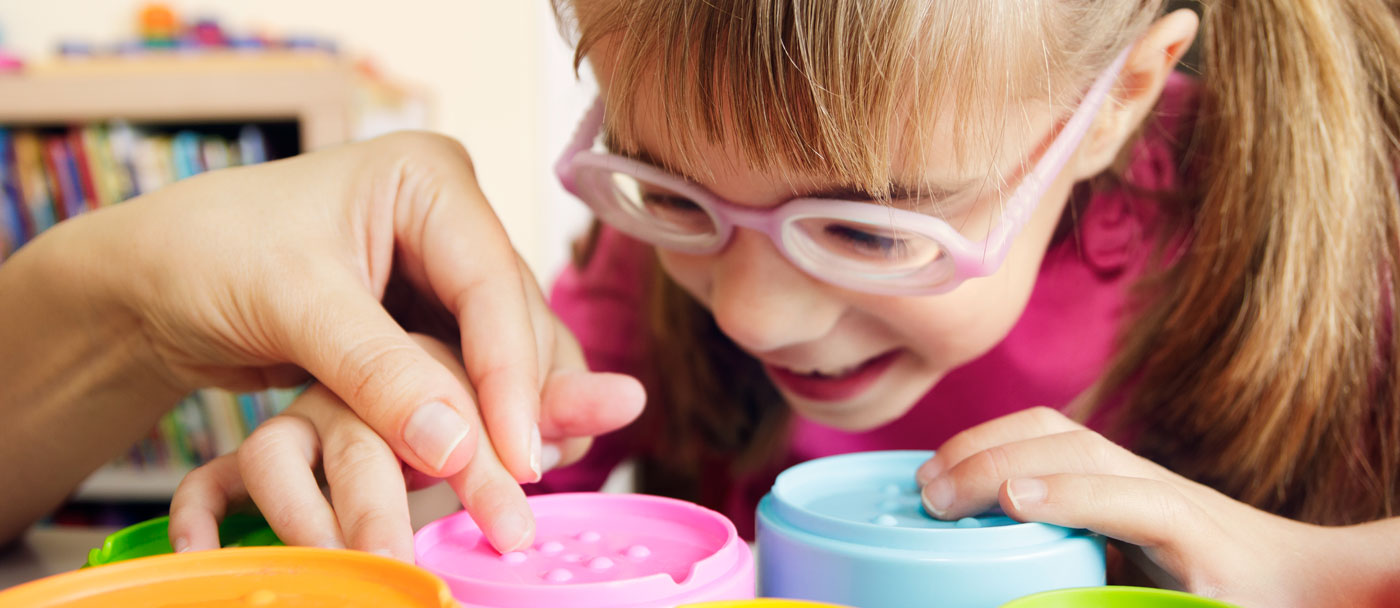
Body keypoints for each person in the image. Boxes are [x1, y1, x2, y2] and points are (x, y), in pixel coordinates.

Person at [159, 0, 1400, 605]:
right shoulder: (677, 243)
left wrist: (1317, 571)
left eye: (866, 224)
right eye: (666, 186)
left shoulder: (1350, 209)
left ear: (1120, 97)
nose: (748, 310)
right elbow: (511, 470)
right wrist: (400, 449)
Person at [0, 132, 646, 550]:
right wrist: (405, 400)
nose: (746, 312)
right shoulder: (624, 287)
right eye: (669, 188)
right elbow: (520, 512)